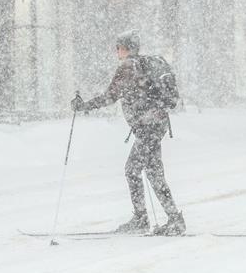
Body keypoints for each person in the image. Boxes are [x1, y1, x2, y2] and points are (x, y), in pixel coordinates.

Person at [71, 30, 185, 236]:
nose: (117, 52)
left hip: (148, 127)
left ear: (124, 48)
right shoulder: (146, 64)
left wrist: (85, 105)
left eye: (118, 48)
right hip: (155, 124)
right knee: (148, 172)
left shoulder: (128, 67)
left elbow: (110, 96)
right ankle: (167, 218)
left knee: (137, 171)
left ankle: (151, 219)